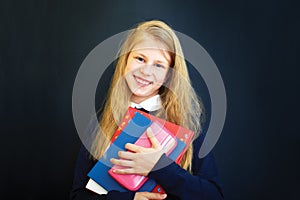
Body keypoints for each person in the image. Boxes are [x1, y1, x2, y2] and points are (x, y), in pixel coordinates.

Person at [70, 20, 224, 200]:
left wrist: (161, 167)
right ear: (125, 60)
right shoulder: (99, 125)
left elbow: (214, 196)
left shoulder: (188, 128)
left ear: (169, 75)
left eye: (159, 65)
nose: (146, 71)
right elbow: (77, 196)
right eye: (140, 59)